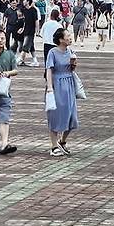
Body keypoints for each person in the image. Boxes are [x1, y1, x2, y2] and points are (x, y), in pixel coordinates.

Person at [45, 28, 79, 156]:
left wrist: (73, 64)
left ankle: (62, 141)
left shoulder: (70, 51)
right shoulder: (52, 52)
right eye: (68, 35)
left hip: (69, 83)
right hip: (57, 84)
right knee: (56, 114)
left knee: (71, 116)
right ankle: (53, 145)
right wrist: (49, 87)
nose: (70, 37)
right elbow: (49, 69)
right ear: (60, 39)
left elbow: (71, 69)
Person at [18, 0, 39, 67]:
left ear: (28, 1)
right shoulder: (24, 10)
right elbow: (25, 21)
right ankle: (35, 61)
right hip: (25, 30)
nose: (23, 2)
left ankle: (20, 59)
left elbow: (36, 21)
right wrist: (22, 28)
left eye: (25, 0)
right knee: (31, 47)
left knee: (25, 46)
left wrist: (37, 30)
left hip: (31, 31)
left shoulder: (33, 10)